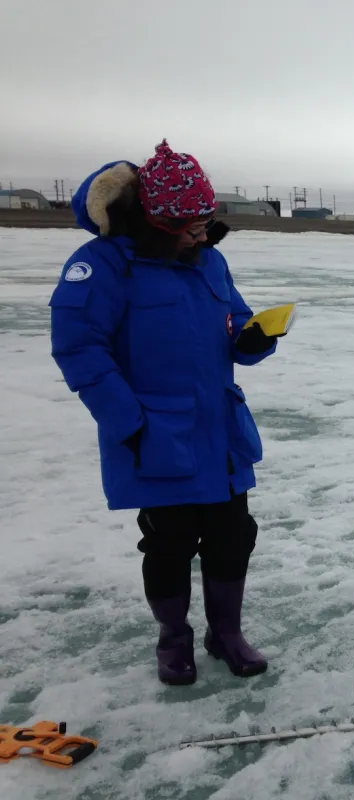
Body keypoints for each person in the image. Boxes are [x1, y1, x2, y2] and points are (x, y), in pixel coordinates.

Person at [48, 140, 282, 686]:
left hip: (219, 429)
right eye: (189, 229)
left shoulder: (210, 260)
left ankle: (226, 633)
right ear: (153, 221)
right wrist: (129, 424)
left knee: (233, 535)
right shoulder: (101, 265)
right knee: (169, 543)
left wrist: (253, 338)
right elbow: (80, 350)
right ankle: (173, 638)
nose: (201, 237)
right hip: (154, 432)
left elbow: (234, 322)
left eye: (205, 225)